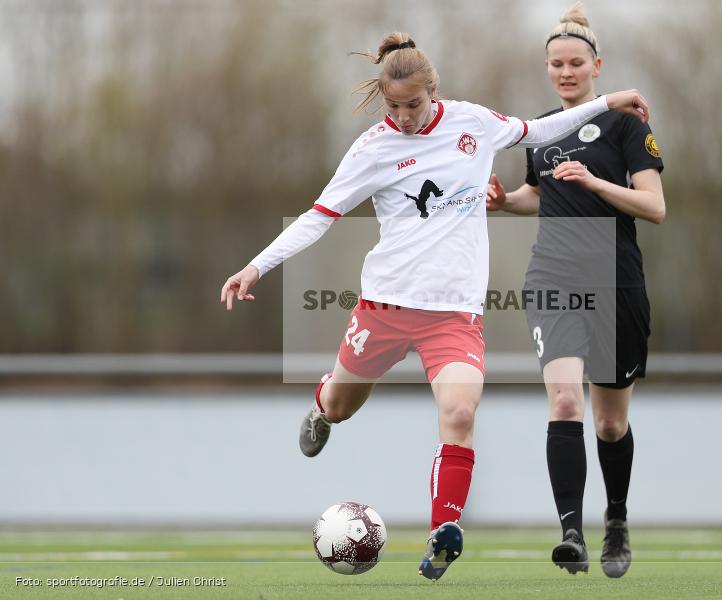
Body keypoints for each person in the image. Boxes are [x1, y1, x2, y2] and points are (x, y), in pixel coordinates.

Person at [219, 31, 651, 581]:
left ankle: (442, 533)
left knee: (460, 414)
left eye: (413, 105)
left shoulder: (472, 123)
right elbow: (319, 217)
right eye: (393, 106)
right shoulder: (373, 148)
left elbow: (537, 130)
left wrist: (609, 101)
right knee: (342, 405)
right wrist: (256, 266)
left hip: (455, 315)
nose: (402, 116)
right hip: (384, 307)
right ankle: (322, 404)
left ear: (434, 91)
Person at [487, 3, 664, 578]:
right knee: (566, 400)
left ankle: (616, 519)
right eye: (556, 64)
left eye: (575, 63)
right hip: (554, 278)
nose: (565, 72)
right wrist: (504, 201)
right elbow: (539, 196)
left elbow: (654, 207)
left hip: (616, 280)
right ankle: (571, 533)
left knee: (610, 423)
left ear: (596, 66)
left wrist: (594, 180)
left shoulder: (628, 125)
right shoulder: (541, 132)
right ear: (547, 70)